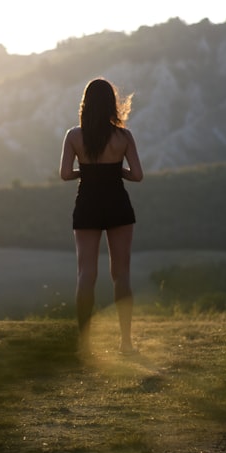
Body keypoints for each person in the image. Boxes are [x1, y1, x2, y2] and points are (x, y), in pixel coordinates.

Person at [60, 78, 143, 356]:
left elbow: (65, 174)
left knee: (86, 274)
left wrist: (88, 172)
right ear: (112, 104)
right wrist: (116, 171)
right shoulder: (124, 137)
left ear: (85, 104)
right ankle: (126, 343)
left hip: (87, 205)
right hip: (117, 204)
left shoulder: (73, 136)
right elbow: (138, 175)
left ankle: (84, 343)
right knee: (121, 274)